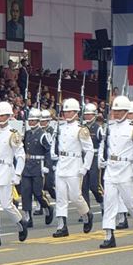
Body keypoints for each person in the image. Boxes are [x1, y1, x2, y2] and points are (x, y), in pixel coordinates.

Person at [97, 95, 133, 248]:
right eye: (115, 110)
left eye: (120, 111)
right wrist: (101, 158)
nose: (117, 113)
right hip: (111, 169)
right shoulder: (109, 127)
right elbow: (103, 145)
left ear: (127, 111)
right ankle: (109, 235)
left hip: (127, 169)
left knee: (130, 204)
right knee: (109, 203)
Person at [0, 102, 28, 246]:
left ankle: (20, 221)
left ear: (9, 116)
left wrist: (18, 174)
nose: (0, 118)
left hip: (6, 171)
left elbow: (20, 155)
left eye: (3, 115)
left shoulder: (13, 134)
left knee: (7, 205)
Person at [51, 98, 94, 237]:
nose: (67, 114)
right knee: (60, 197)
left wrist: (85, 167)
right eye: (65, 111)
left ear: (76, 112)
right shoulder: (60, 128)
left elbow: (89, 150)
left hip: (75, 164)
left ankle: (86, 214)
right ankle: (62, 226)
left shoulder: (81, 130)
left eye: (70, 112)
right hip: (62, 164)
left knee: (75, 196)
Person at [21, 108, 53, 229]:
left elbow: (48, 151)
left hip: (38, 166)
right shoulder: (27, 133)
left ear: (38, 121)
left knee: (38, 192)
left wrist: (46, 166)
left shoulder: (43, 135)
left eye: (34, 120)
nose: (31, 122)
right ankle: (28, 217)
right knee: (26, 192)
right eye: (30, 120)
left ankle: (48, 207)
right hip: (27, 165)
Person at [81, 102, 104, 213]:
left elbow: (103, 144)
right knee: (83, 186)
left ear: (94, 115)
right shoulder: (82, 128)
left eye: (90, 114)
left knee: (94, 186)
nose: (87, 116)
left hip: (94, 157)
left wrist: (101, 157)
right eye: (86, 114)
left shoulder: (98, 128)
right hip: (84, 158)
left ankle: (102, 201)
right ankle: (86, 211)